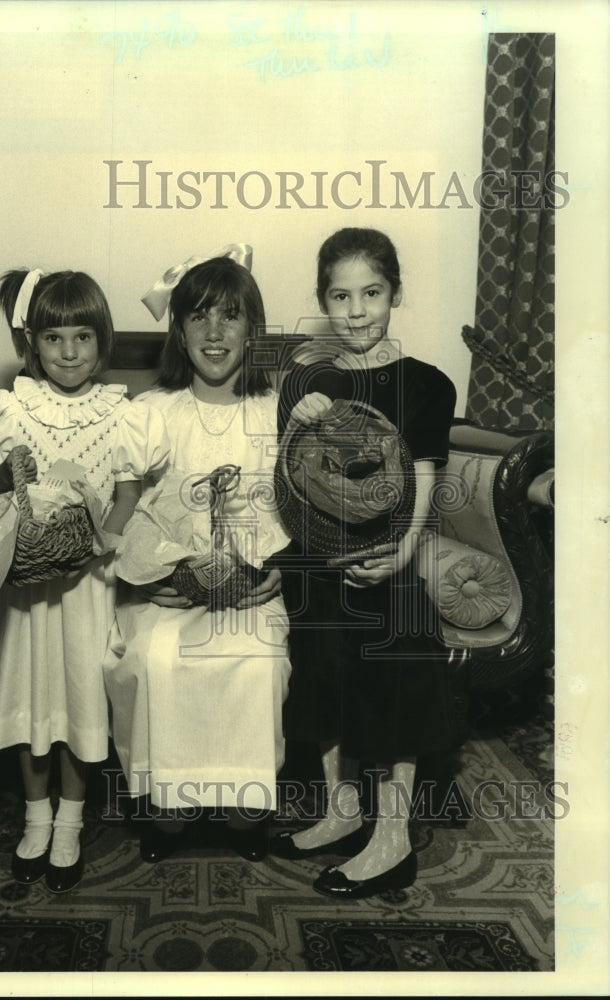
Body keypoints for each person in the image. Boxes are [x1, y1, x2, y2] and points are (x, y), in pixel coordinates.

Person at [0, 268, 168, 892]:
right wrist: (18, 494)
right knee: (30, 697)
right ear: (32, 345)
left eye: (82, 338)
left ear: (102, 343)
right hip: (26, 584)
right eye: (53, 339)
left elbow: (127, 495)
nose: (69, 353)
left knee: (77, 696)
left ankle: (71, 817)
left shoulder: (122, 414)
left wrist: (102, 542)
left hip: (88, 583)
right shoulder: (12, 408)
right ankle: (35, 813)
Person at [272, 228, 458, 899]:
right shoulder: (308, 381)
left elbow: (426, 480)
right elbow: (292, 480)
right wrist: (300, 417)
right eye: (340, 295)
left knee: (395, 658)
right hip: (320, 554)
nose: (355, 311)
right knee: (318, 672)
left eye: (371, 293)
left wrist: (402, 554)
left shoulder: (428, 385)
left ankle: (393, 834)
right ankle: (341, 808)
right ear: (324, 301)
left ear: (395, 294)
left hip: (390, 557)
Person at [102, 251, 291, 864]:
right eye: (199, 317)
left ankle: (244, 803)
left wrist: (280, 570)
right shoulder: (152, 412)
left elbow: (304, 507)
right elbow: (123, 509)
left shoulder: (274, 413)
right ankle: (167, 803)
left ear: (251, 330)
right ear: (179, 331)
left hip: (251, 579)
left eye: (230, 317)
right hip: (168, 581)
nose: (214, 333)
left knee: (256, 659)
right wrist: (145, 574)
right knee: (156, 657)